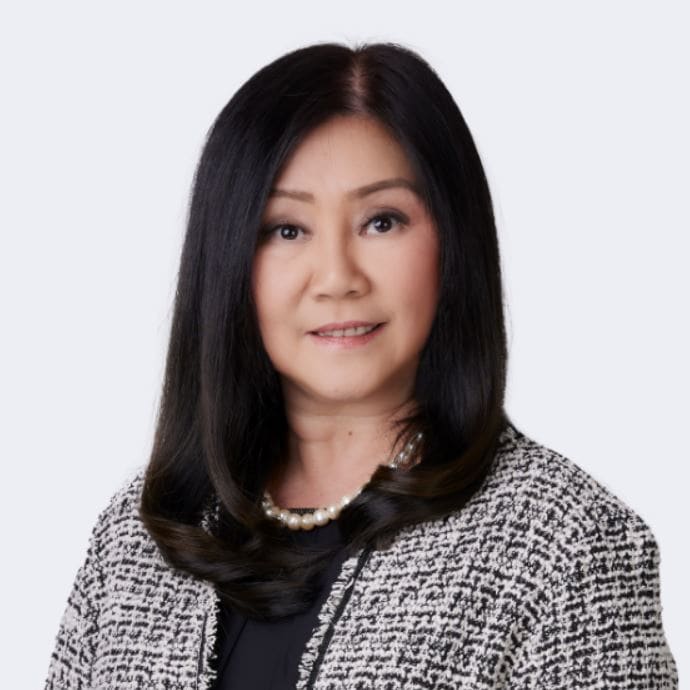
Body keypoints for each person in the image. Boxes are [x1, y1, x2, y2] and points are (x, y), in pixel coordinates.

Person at [44, 41, 678, 689]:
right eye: (286, 229)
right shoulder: (140, 537)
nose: (337, 277)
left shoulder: (568, 543)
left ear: (453, 240)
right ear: (228, 260)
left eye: (382, 221)